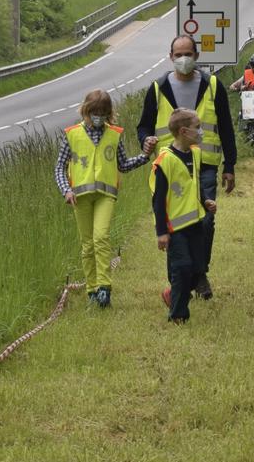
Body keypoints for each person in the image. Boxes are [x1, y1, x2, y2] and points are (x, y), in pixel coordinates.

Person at [137, 35, 236, 300]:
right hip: (170, 166)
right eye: (178, 54)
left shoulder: (212, 85)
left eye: (188, 54)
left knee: (205, 221)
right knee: (176, 226)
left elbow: (226, 126)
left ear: (197, 55)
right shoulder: (158, 88)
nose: (183, 59)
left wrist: (230, 165)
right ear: (170, 57)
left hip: (204, 163)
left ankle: (199, 274)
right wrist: (145, 140)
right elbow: (143, 125)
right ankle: (179, 283)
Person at [55, 89, 156, 308]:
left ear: (109, 113)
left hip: (106, 195)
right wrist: (66, 190)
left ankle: (104, 287)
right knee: (87, 245)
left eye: (103, 112)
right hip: (79, 197)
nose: (98, 116)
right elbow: (59, 168)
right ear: (86, 111)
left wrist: (145, 157)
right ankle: (91, 289)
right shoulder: (72, 134)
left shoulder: (114, 134)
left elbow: (123, 165)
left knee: (101, 237)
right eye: (94, 112)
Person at [151, 108, 214, 324]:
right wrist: (161, 233)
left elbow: (194, 184)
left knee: (197, 269)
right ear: (184, 131)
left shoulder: (195, 153)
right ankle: (178, 315)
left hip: (195, 224)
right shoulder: (165, 161)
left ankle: (172, 294)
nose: (201, 132)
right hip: (175, 229)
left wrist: (205, 200)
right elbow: (158, 201)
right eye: (198, 127)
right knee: (182, 268)